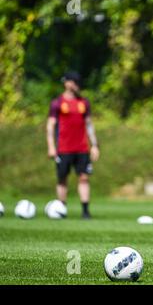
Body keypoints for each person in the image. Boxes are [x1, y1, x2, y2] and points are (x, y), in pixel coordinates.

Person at [47, 71, 100, 219]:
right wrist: (51, 147)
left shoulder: (84, 102)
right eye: (74, 82)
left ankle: (85, 210)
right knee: (62, 179)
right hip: (64, 148)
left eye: (78, 82)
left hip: (82, 148)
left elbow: (89, 125)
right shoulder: (57, 103)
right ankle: (61, 209)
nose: (77, 85)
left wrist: (94, 145)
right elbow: (50, 126)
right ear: (67, 83)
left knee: (84, 178)